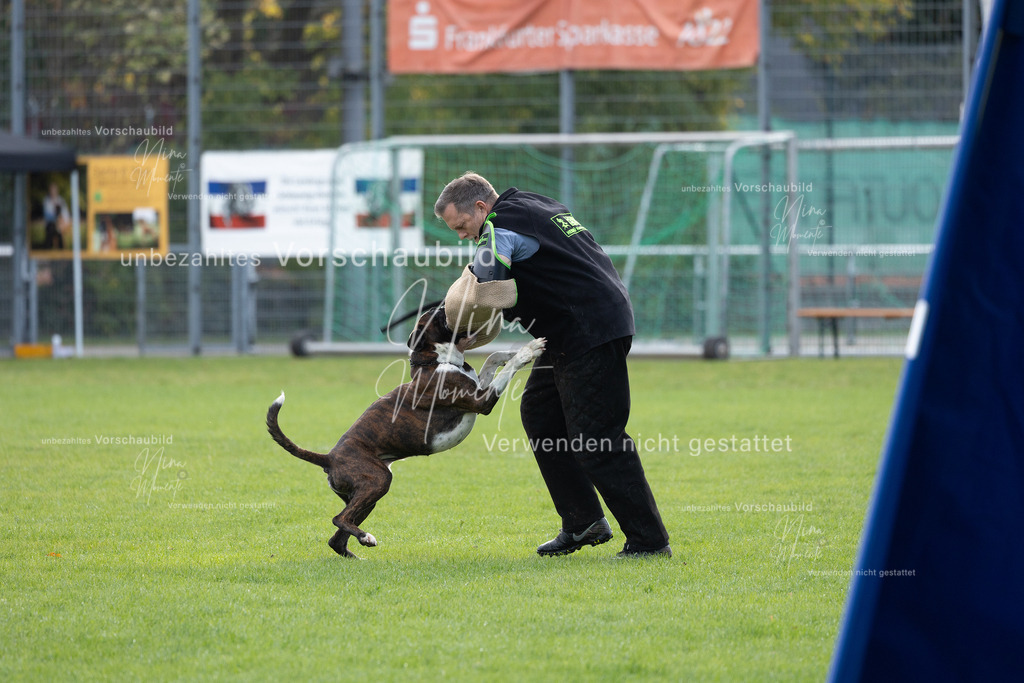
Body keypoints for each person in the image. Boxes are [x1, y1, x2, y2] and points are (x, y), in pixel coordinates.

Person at [435, 172, 671, 559]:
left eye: (462, 227)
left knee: (597, 437)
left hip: (587, 330)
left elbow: (490, 290)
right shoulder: (535, 204)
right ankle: (583, 523)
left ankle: (649, 542)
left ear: (480, 207)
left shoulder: (497, 226)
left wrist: (452, 316)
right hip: (574, 327)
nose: (462, 236)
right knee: (541, 415)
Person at [42, 183, 69, 250]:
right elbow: (47, 216)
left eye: (54, 190)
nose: (53, 192)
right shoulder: (46, 201)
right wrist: (56, 219)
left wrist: (63, 222)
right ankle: (49, 247)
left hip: (60, 224)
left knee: (59, 232)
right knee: (52, 229)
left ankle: (61, 250)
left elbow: (66, 214)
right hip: (51, 224)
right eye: (51, 190)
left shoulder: (61, 200)